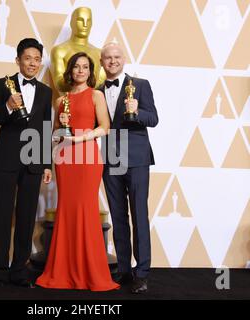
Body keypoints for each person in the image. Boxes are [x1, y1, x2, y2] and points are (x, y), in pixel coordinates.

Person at [36, 52, 119, 291]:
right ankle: (64, 271)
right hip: (65, 160)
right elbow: (55, 137)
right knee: (67, 211)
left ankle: (90, 272)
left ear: (90, 72)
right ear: (70, 71)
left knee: (86, 210)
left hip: (88, 158)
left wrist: (84, 135)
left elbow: (105, 127)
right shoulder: (60, 101)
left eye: (85, 67)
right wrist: (61, 125)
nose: (81, 71)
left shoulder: (96, 95)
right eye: (76, 67)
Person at [0, 38, 52, 289]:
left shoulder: (45, 91)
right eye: (28, 58)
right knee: (1, 214)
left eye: (36, 59)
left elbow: (45, 128)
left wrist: (46, 165)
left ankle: (19, 271)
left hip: (34, 161)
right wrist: (8, 108)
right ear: (18, 60)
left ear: (40, 62)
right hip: (7, 159)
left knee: (26, 217)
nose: (32, 63)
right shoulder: (2, 85)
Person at [99, 42, 158, 293]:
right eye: (108, 58)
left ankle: (142, 273)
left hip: (135, 158)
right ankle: (123, 270)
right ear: (101, 62)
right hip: (111, 158)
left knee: (138, 216)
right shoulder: (98, 91)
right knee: (118, 216)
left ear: (124, 59)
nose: (112, 61)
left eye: (117, 57)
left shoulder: (140, 85)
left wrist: (138, 111)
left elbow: (153, 118)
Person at [50, 7, 106, 92]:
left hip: (94, 103)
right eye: (80, 20)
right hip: (68, 103)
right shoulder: (60, 50)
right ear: (72, 23)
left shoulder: (100, 53)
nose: (85, 24)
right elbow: (59, 85)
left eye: (88, 21)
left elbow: (101, 83)